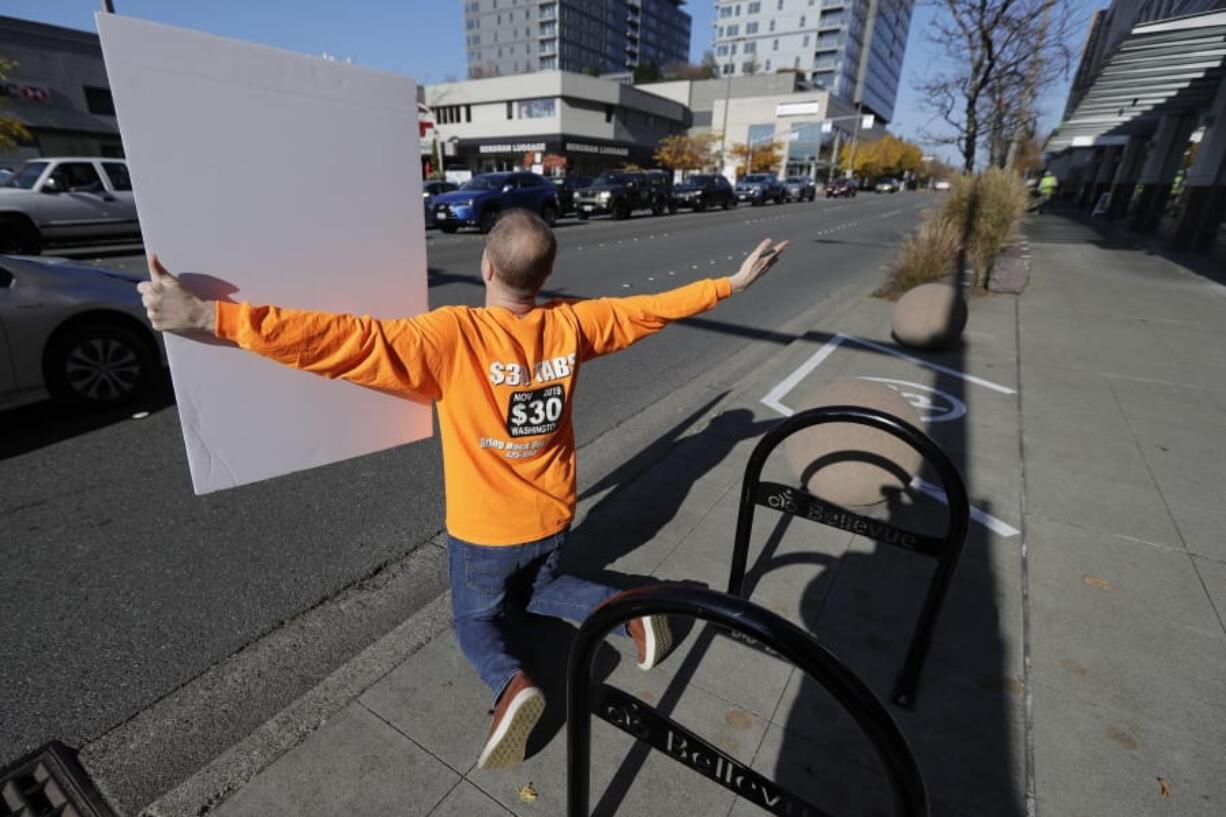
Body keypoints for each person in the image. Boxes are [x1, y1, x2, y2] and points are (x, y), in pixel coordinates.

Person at [138, 208, 788, 770]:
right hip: (551, 513)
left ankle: (512, 685)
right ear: (544, 275)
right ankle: (631, 614)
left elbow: (336, 341)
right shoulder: (572, 324)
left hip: (484, 529)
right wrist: (730, 283)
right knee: (538, 586)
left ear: (485, 266)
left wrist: (206, 314)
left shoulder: (451, 336)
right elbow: (649, 311)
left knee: (474, 615)